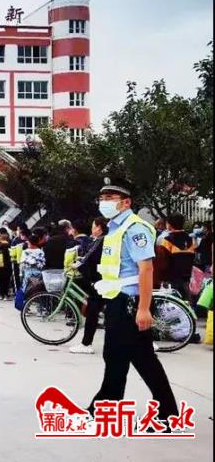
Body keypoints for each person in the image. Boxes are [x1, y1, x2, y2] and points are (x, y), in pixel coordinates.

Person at [87, 177, 178, 424]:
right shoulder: (115, 228)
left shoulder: (134, 228)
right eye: (102, 198)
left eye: (110, 198)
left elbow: (146, 269)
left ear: (126, 202)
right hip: (117, 300)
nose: (104, 202)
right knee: (119, 356)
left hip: (130, 303)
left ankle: (166, 415)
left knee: (140, 359)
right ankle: (107, 406)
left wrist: (144, 309)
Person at [69, 217, 108, 354]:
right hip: (103, 279)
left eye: (93, 226)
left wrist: (78, 265)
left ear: (99, 228)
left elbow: (90, 258)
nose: (92, 228)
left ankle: (86, 344)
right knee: (96, 310)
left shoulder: (101, 241)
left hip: (101, 281)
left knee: (93, 311)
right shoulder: (101, 240)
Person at [155, 213, 196, 300]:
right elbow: (193, 258)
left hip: (171, 280)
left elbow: (163, 264)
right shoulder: (191, 240)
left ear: (169, 225)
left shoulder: (167, 241)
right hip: (187, 279)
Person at [0, 231, 12, 300]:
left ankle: (1, 295)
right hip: (7, 266)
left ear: (1, 239)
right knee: (7, 281)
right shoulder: (10, 247)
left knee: (0, 281)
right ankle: (6, 295)